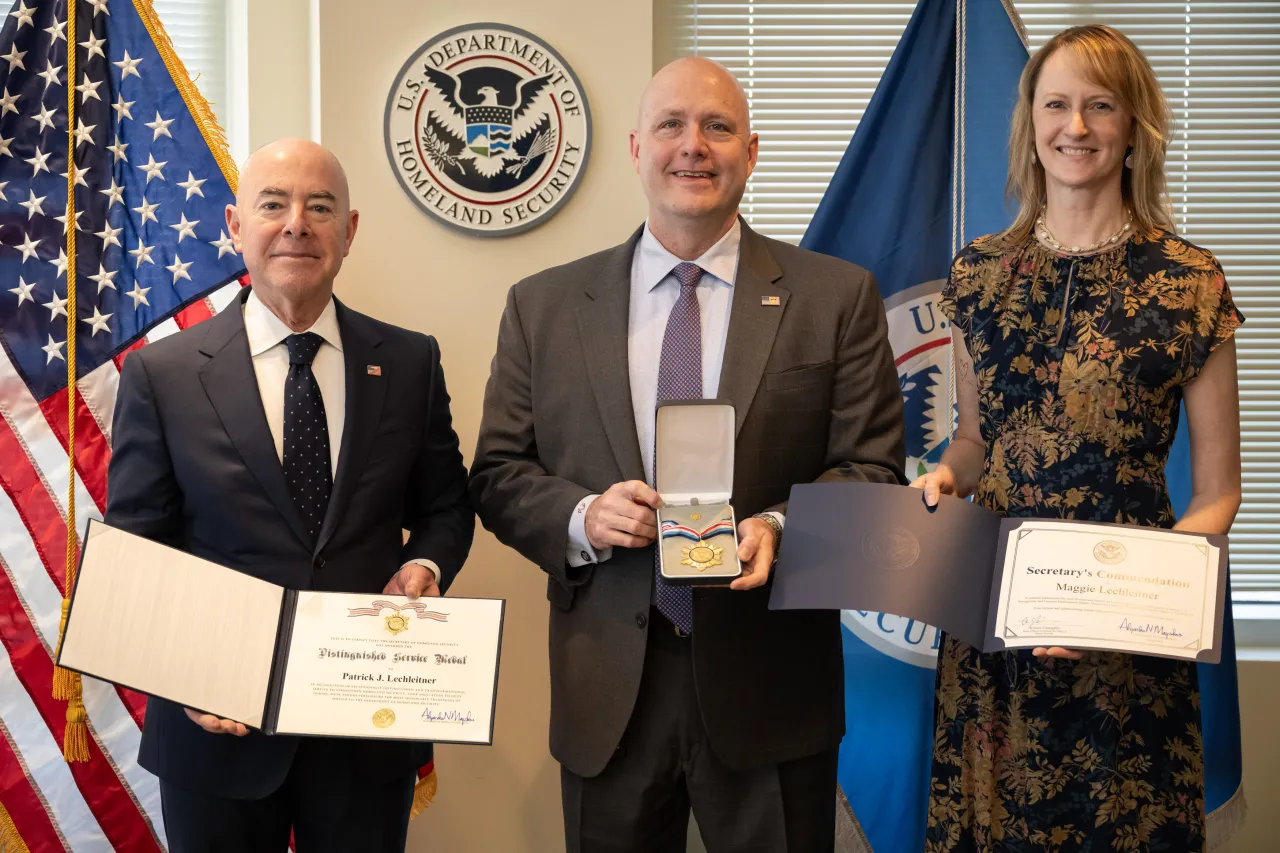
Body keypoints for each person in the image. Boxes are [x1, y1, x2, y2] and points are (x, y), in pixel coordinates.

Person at [469, 57, 905, 852]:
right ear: (638, 146)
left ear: (753, 150)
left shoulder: (837, 297)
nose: (692, 146)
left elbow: (872, 469)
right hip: (609, 687)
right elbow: (498, 471)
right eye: (671, 125)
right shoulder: (545, 305)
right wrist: (582, 515)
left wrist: (780, 524)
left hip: (772, 681)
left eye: (718, 127)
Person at [913, 26, 1243, 852]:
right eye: (1057, 104)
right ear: (1031, 122)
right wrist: (943, 480)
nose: (1078, 126)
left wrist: (1123, 606)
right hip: (997, 631)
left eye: (1102, 106)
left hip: (1126, 643)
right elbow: (975, 444)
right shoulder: (978, 274)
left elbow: (1219, 493)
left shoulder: (1189, 279)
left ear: (1134, 127)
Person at [104, 138, 474, 852]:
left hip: (365, 725)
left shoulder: (408, 361)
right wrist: (177, 670)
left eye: (320, 206)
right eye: (273, 204)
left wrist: (425, 565)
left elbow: (446, 507)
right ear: (235, 227)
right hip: (216, 727)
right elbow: (134, 552)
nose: (297, 223)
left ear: (350, 231)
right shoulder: (163, 374)